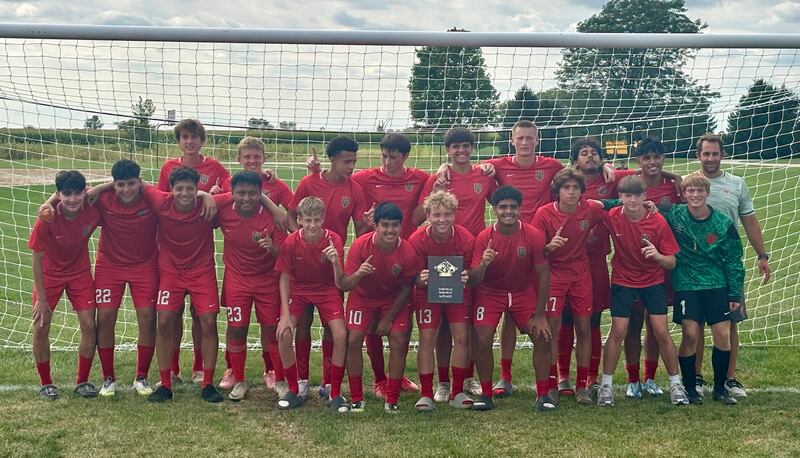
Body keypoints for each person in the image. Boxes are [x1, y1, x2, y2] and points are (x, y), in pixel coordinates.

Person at [38, 160, 160, 397]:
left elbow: (170, 197)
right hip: (109, 267)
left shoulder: (150, 199)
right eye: (120, 185)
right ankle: (108, 378)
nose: (126, 189)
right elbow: (70, 198)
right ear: (114, 185)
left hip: (145, 266)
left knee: (147, 316)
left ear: (140, 182)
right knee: (104, 318)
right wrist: (49, 202)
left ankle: (141, 376)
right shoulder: (101, 202)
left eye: (132, 184)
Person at [596, 175, 688, 406]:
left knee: (660, 331)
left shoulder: (657, 221)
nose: (633, 200)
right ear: (620, 198)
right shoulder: (613, 216)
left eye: (637, 195)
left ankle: (676, 385)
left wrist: (657, 256)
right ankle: (605, 387)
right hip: (623, 281)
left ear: (645, 196)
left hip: (652, 282)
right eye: (627, 195)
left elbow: (671, 262)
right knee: (619, 331)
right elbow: (591, 206)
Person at [418, 127, 496, 399]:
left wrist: (491, 167)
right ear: (447, 150)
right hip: (440, 255)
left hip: (471, 254)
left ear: (472, 148)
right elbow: (421, 213)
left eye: (465, 146)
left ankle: (468, 378)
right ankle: (442, 381)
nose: (461, 151)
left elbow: (500, 202)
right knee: (441, 325)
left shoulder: (483, 176)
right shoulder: (441, 177)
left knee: (469, 322)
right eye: (455, 147)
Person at [290, 136, 370, 399]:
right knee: (302, 322)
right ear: (332, 160)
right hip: (303, 268)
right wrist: (301, 242)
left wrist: (369, 224)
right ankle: (301, 380)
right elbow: (292, 215)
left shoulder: (354, 189)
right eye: (347, 162)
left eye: (354, 162)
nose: (351, 167)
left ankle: (327, 382)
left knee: (330, 326)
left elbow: (359, 232)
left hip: (332, 268)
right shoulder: (309, 182)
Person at [692, 133, 771, 398]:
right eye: (706, 153)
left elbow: (749, 221)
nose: (711, 158)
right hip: (695, 267)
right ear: (698, 155)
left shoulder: (737, 184)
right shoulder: (688, 184)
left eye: (715, 153)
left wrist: (762, 256)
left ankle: (728, 378)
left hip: (727, 266)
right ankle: (697, 378)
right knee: (697, 323)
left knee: (730, 322)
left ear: (722, 155)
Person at [156, 119, 230, 385]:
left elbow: (236, 192)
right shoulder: (169, 168)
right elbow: (165, 200)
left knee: (202, 316)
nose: (190, 141)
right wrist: (200, 193)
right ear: (179, 141)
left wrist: (209, 196)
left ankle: (200, 367)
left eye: (195, 136)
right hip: (171, 255)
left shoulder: (215, 167)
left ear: (202, 140)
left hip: (200, 254)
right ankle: (172, 368)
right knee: (170, 315)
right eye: (185, 136)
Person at [144, 166, 226, 403]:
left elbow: (241, 193)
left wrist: (207, 195)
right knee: (165, 320)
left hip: (202, 272)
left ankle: (208, 383)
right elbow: (136, 183)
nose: (184, 193)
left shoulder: (207, 204)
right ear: (170, 189)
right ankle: (166, 383)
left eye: (190, 189)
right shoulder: (160, 201)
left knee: (208, 321)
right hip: (170, 273)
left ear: (196, 188)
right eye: (179, 189)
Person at [662, 173, 745, 405]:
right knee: (690, 334)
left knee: (722, 333)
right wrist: (604, 203)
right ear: (684, 194)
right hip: (687, 284)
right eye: (691, 191)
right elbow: (636, 202)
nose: (695, 195)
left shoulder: (722, 222)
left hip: (717, 284)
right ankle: (690, 389)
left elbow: (734, 259)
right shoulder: (674, 214)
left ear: (707, 193)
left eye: (700, 191)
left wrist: (734, 293)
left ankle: (720, 389)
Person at [218, 136, 293, 392]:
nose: (246, 197)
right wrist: (209, 195)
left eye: (256, 156)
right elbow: (200, 206)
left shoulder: (273, 213)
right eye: (246, 156)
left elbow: (289, 237)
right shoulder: (224, 202)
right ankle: (237, 376)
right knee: (236, 327)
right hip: (237, 279)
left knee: (270, 329)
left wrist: (272, 248)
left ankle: (272, 372)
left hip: (267, 280)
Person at [468, 185, 552, 411]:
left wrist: (541, 314)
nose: (508, 212)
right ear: (494, 209)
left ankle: (543, 395)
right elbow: (474, 280)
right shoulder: (484, 237)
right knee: (481, 338)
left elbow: (543, 275)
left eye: (513, 207)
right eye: (502, 207)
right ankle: (486, 394)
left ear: (520, 209)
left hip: (522, 292)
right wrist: (484, 263)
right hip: (490, 293)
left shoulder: (533, 235)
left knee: (543, 335)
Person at [341, 202, 421, 413]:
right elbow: (346, 284)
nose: (390, 230)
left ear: (401, 226)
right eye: (384, 225)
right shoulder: (360, 245)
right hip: (362, 298)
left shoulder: (408, 252)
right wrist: (359, 273)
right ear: (375, 226)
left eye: (395, 225)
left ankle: (392, 398)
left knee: (398, 338)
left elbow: (406, 289)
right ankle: (357, 398)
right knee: (353, 339)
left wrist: (388, 319)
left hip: (392, 300)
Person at [621, 138, 685, 400]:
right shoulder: (631, 183)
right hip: (631, 268)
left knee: (656, 324)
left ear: (664, 158)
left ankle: (649, 377)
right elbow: (611, 172)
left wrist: (676, 175)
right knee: (633, 322)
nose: (652, 162)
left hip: (662, 264)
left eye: (657, 156)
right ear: (638, 162)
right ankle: (632, 379)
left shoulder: (674, 187)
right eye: (646, 157)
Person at [29, 170, 101, 400]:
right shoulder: (47, 218)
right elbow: (37, 260)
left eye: (77, 193)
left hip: (79, 273)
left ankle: (82, 381)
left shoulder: (92, 207)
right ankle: (46, 383)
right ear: (58, 194)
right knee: (41, 326)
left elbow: (116, 185)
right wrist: (41, 299)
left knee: (89, 325)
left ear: (85, 191)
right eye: (66, 194)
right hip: (50, 274)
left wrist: (97, 189)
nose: (72, 199)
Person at [557, 137, 620, 395]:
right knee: (565, 320)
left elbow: (641, 177)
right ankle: (563, 376)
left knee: (592, 320)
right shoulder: (566, 184)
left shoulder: (611, 181)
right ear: (574, 161)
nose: (590, 156)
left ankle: (591, 375)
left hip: (594, 263)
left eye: (594, 153)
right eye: (584, 153)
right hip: (564, 263)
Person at [275, 196, 348, 412]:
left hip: (327, 290)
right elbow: (285, 278)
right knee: (284, 333)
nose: (313, 225)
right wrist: (285, 315)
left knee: (341, 335)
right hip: (299, 290)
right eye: (308, 220)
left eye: (317, 219)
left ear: (324, 218)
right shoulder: (291, 242)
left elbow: (339, 282)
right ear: (299, 220)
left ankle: (334, 392)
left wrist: (335, 263)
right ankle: (294, 388)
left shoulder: (334, 240)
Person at [408, 190, 474, 411]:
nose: (442, 220)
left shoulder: (465, 238)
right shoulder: (417, 239)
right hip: (427, 294)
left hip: (458, 293)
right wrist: (420, 277)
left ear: (454, 215)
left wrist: (467, 275)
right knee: (427, 338)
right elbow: (412, 276)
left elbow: (471, 271)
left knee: (462, 337)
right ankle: (426, 393)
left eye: (447, 214)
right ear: (427, 215)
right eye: (437, 215)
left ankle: (456, 391)